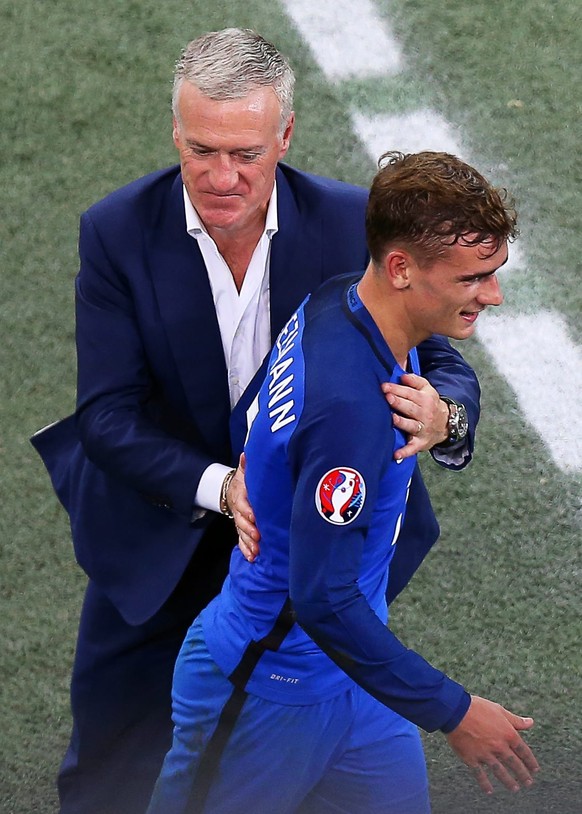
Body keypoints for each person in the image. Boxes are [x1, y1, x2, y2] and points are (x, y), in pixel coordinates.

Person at [31, 29, 480, 814]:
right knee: (108, 769)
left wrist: (448, 414)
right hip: (161, 533)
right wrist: (226, 485)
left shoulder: (352, 223)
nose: (222, 176)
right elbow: (105, 416)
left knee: (300, 772)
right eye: (201, 149)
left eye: (245, 152)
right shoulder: (115, 229)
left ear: (286, 137)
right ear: (176, 131)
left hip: (305, 548)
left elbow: (443, 355)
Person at [147, 151, 539, 814]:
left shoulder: (341, 302)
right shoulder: (349, 416)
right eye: (475, 277)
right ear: (401, 268)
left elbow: (254, 416)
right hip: (267, 691)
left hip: (354, 683)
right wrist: (455, 712)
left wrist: (447, 414)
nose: (493, 295)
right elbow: (322, 599)